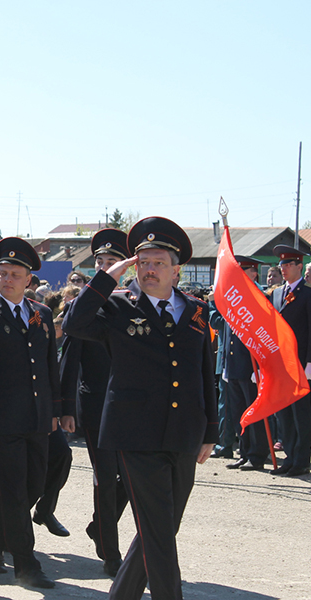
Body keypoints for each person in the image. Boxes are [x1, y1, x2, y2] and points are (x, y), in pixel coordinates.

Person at [63, 216, 217, 600]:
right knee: (160, 534)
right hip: (136, 433)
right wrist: (107, 277)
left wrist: (210, 432)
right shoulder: (117, 305)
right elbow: (73, 324)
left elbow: (204, 373)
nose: (150, 270)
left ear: (176, 270)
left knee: (162, 528)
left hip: (184, 432)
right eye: (143, 261)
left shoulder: (196, 311)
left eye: (159, 262)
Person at [0, 237, 60, 590]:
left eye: (14, 274)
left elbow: (50, 366)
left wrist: (55, 410)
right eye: (1, 273)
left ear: (28, 280)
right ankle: (27, 565)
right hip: (1, 420)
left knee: (34, 485)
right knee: (13, 493)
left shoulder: (42, 314)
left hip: (37, 417)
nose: (6, 279)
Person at [58, 228, 130, 577]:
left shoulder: (134, 305)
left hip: (131, 410)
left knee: (130, 481)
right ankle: (110, 552)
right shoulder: (81, 307)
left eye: (112, 262)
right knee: (105, 478)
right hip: (96, 408)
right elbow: (70, 362)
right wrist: (66, 409)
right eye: (100, 263)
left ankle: (99, 526)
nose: (105, 267)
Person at [210, 256, 269, 472]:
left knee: (254, 413)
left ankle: (257, 454)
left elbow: (264, 334)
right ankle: (244, 453)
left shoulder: (259, 298)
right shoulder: (233, 298)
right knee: (239, 413)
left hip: (251, 366)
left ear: (254, 273)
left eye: (243, 271)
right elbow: (226, 331)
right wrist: (225, 364)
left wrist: (262, 366)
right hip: (233, 365)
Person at [270, 245, 311, 477]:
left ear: (298, 266)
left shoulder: (308, 294)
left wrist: (309, 363)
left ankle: (302, 460)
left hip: (300, 364)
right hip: (280, 364)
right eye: (282, 265)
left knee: (301, 414)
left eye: (288, 264)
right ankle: (289, 457)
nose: (283, 269)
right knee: (283, 413)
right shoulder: (276, 294)